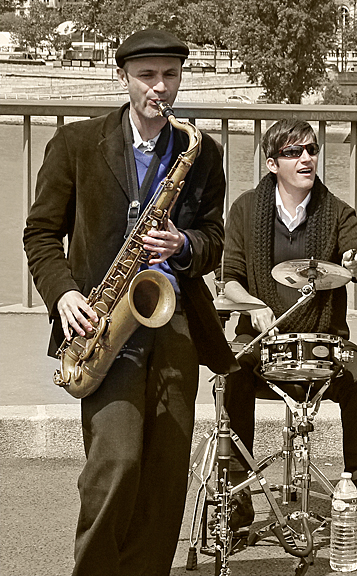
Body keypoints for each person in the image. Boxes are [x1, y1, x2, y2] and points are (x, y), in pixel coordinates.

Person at [23, 29, 234, 576]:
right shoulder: (74, 143)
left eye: (170, 75)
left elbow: (214, 238)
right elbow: (41, 234)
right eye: (147, 76)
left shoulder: (200, 151)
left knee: (166, 476)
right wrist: (65, 294)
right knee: (115, 462)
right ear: (123, 78)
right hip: (102, 323)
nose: (160, 88)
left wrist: (184, 244)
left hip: (175, 322)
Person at [220, 118, 357, 553]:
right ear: (272, 161)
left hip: (325, 340)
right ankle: (239, 500)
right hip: (260, 344)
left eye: (311, 150)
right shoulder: (244, 209)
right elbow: (229, 281)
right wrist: (255, 307)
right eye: (294, 152)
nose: (306, 159)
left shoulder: (336, 211)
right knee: (232, 377)